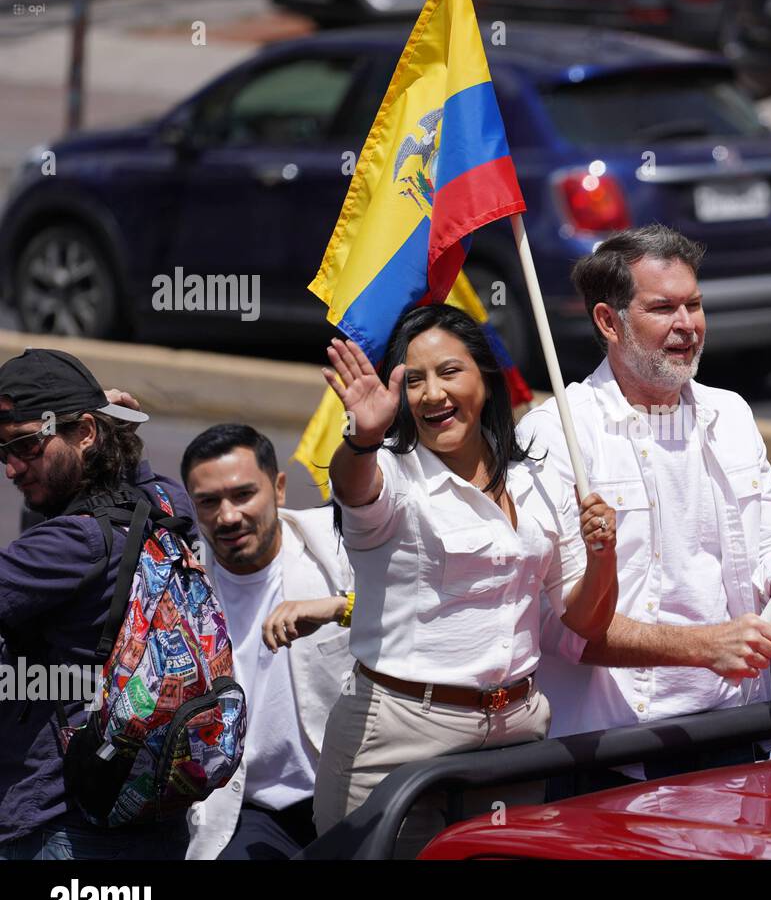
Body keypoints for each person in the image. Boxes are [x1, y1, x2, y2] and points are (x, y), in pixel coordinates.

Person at [516, 224, 771, 783]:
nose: (687, 325)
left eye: (694, 305)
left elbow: (770, 572)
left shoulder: (733, 415)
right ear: (608, 322)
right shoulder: (558, 434)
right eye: (663, 308)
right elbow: (561, 626)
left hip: (735, 736)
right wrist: (702, 647)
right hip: (610, 753)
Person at [313, 305, 618, 839]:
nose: (433, 394)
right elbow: (355, 486)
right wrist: (361, 439)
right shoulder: (389, 469)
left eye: (449, 372)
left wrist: (603, 555)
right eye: (414, 381)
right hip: (397, 735)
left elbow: (586, 622)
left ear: (486, 377)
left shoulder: (537, 477)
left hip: (517, 734)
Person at [0, 349, 193, 860]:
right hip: (151, 809)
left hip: (58, 826)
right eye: (2, 452)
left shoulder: (69, 545)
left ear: (84, 432)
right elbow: (149, 489)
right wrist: (115, 436)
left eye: (25, 444)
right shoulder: (166, 509)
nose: (13, 468)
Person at [180, 424, 355, 860]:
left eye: (243, 495)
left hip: (353, 793)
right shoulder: (181, 587)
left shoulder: (337, 548)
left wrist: (337, 607)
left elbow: (412, 609)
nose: (228, 516)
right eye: (209, 502)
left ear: (278, 488)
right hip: (250, 809)